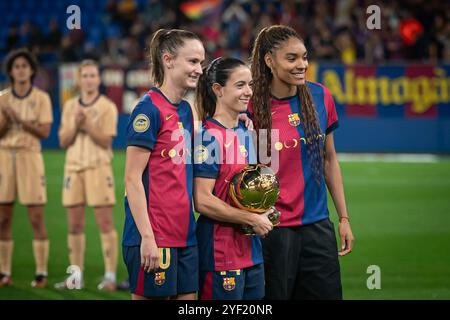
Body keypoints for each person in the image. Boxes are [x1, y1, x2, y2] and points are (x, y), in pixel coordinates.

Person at [248, 25, 355, 299]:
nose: (302, 65)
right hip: (273, 230)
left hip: (317, 227)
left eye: (304, 57)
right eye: (292, 58)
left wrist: (343, 218)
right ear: (269, 61)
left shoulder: (320, 96)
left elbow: (330, 159)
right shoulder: (250, 106)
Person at [122, 28, 204, 300]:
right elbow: (132, 179)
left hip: (185, 235)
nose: (199, 69)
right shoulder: (148, 109)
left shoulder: (185, 109)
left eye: (201, 62)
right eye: (193, 62)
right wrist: (147, 237)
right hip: (154, 235)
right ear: (168, 60)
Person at [193, 57, 274, 300]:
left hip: (252, 251)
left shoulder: (247, 131)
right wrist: (251, 218)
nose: (248, 92)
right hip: (220, 253)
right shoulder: (208, 138)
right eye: (240, 85)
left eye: (249, 84)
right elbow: (202, 200)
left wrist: (264, 208)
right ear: (218, 89)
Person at [55, 59, 119, 291]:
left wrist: (88, 125)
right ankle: (75, 276)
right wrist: (76, 125)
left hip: (98, 168)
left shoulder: (107, 107)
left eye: (93, 75)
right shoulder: (70, 106)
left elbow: (106, 140)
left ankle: (110, 276)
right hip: (73, 168)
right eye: (85, 76)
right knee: (74, 225)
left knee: (104, 223)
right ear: (79, 80)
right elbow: (63, 140)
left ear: (99, 79)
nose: (89, 80)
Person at [0, 48, 52, 288]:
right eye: (16, 66)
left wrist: (18, 119)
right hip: (4, 157)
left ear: (31, 70)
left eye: (24, 66)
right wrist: (6, 118)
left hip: (30, 156)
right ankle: (4, 272)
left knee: (36, 217)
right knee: (3, 218)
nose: (20, 70)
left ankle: (41, 272)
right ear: (10, 71)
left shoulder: (41, 98)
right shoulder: (2, 98)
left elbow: (44, 132)